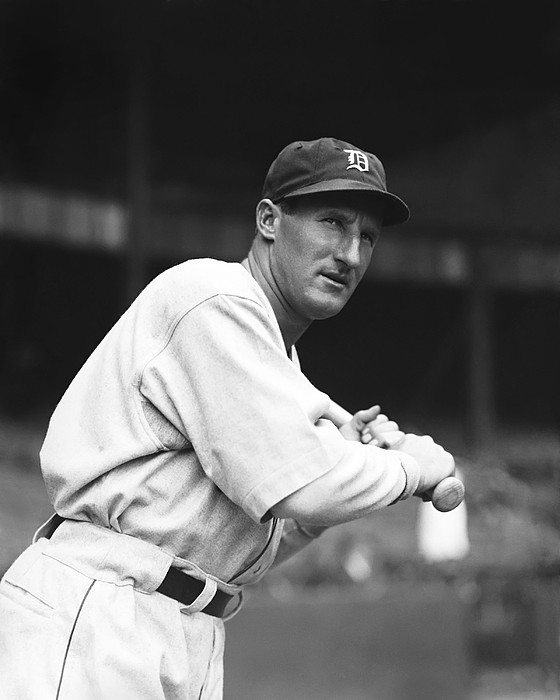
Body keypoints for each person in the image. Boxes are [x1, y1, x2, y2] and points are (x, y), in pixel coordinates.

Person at [0, 136, 455, 699]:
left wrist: (346, 473)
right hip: (104, 612)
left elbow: (248, 537)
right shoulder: (213, 298)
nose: (352, 255)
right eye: (333, 222)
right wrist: (410, 468)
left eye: (367, 236)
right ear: (269, 219)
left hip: (185, 625)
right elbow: (301, 484)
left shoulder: (278, 361)